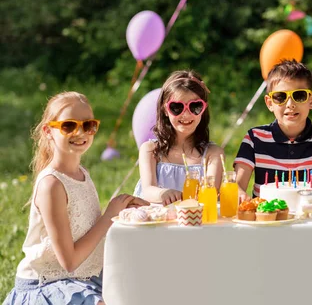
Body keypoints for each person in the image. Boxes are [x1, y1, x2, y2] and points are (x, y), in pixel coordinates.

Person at [3, 91, 146, 305]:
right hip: (48, 285)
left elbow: (87, 230)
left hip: (84, 277)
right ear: (48, 131)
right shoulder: (52, 185)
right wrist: (108, 217)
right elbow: (69, 261)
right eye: (69, 125)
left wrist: (122, 212)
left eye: (88, 125)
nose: (81, 132)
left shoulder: (82, 173)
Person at [234, 60, 312, 200]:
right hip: (267, 218)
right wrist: (239, 195)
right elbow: (237, 185)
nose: (290, 104)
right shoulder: (254, 138)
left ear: (311, 100)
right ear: (270, 103)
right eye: (280, 97)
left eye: (299, 96)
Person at [134, 70, 224, 205]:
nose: (186, 115)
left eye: (195, 106)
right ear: (165, 109)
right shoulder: (150, 150)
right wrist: (164, 193)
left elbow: (210, 193)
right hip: (157, 221)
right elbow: (148, 190)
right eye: (177, 107)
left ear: (203, 109)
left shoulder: (213, 154)